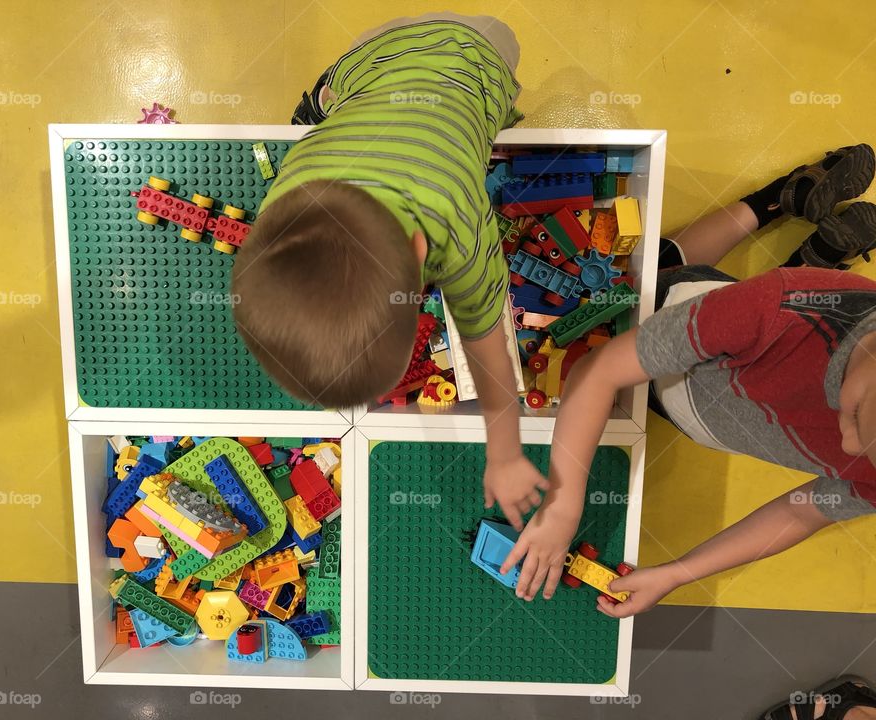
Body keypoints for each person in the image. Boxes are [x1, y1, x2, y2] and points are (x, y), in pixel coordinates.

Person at [499, 144, 876, 613]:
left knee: (767, 315)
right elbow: (597, 372)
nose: (844, 444)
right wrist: (562, 505)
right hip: (690, 316)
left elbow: (802, 512)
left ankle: (809, 236)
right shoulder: (778, 310)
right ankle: (781, 203)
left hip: (706, 387)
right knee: (651, 270)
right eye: (856, 413)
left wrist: (678, 574)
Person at [233, 14, 547, 529]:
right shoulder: (283, 201)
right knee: (329, 108)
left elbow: (492, 356)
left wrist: (508, 454)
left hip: (477, 52)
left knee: (502, 44)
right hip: (368, 54)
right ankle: (320, 100)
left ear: (424, 252)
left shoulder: (457, 224)